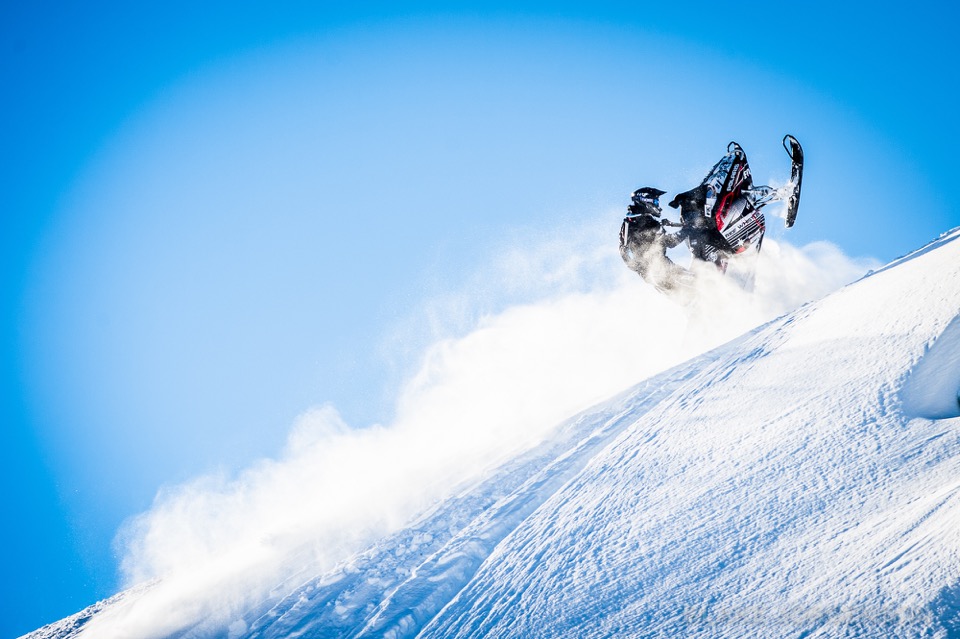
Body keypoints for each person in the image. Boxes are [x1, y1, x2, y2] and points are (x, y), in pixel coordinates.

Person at [619, 187, 688, 291]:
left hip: (654, 273)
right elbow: (670, 242)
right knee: (698, 283)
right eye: (655, 201)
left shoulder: (632, 221)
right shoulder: (645, 223)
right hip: (661, 270)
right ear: (645, 201)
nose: (657, 205)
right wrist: (688, 230)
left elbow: (624, 250)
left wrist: (641, 270)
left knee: (687, 296)